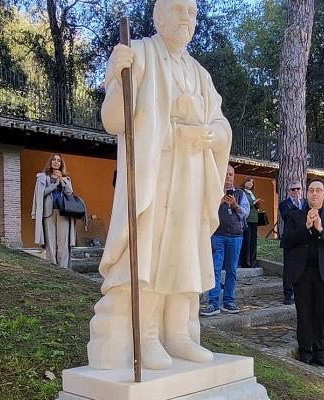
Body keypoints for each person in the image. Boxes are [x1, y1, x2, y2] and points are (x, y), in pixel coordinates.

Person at [89, 0, 232, 370]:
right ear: (158, 15)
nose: (187, 18)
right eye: (180, 9)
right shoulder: (138, 53)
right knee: (150, 252)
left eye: (193, 13)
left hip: (191, 176)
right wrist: (119, 79)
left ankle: (179, 334)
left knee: (186, 252)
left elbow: (221, 123)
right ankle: (147, 336)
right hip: (155, 174)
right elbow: (112, 121)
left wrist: (208, 134)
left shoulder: (201, 73)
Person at [281, 177, 324, 368]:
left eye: (318, 190)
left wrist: (321, 230)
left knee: (322, 314)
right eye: (310, 190)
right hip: (302, 272)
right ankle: (305, 351)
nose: (314, 193)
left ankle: (320, 352)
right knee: (304, 314)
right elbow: (286, 242)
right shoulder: (294, 216)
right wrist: (306, 229)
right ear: (306, 194)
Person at [201, 165, 250, 316]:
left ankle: (229, 301)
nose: (228, 177)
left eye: (231, 174)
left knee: (232, 270)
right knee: (215, 269)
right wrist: (219, 203)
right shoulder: (215, 193)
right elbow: (206, 212)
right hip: (218, 235)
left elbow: (246, 213)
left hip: (236, 236)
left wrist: (235, 205)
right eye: (226, 174)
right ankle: (213, 303)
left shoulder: (241, 194)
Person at [31, 153, 77, 268]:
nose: (56, 162)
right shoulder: (42, 177)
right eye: (54, 160)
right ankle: (52, 267)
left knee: (63, 242)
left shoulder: (66, 178)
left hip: (63, 212)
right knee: (50, 242)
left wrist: (61, 180)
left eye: (59, 161)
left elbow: (69, 193)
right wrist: (54, 185)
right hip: (48, 212)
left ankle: (63, 268)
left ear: (61, 164)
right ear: (50, 162)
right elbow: (40, 194)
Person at [279, 180, 305, 305]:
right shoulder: (284, 204)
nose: (296, 191)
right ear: (288, 191)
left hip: (303, 240)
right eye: (293, 189)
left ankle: (300, 292)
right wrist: (296, 204)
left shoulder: (305, 203)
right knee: (288, 269)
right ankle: (287, 294)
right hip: (289, 240)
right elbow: (287, 216)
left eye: (298, 189)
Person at [240, 176, 262, 269]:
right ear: (245, 182)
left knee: (253, 241)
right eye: (248, 182)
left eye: (252, 182)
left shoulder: (252, 193)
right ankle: (246, 262)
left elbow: (254, 205)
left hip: (254, 219)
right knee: (247, 241)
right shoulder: (242, 192)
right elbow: (245, 204)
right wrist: (254, 202)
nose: (250, 184)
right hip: (247, 219)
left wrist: (257, 204)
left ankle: (253, 261)